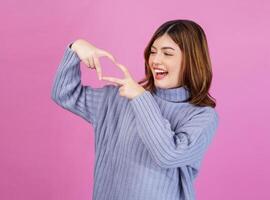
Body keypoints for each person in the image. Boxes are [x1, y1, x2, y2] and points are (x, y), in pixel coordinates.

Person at [51, 19, 219, 200]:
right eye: (153, 52)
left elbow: (168, 155)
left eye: (167, 53)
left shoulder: (202, 116)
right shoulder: (118, 98)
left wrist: (141, 98)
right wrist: (76, 48)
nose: (156, 60)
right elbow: (64, 94)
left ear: (192, 61)